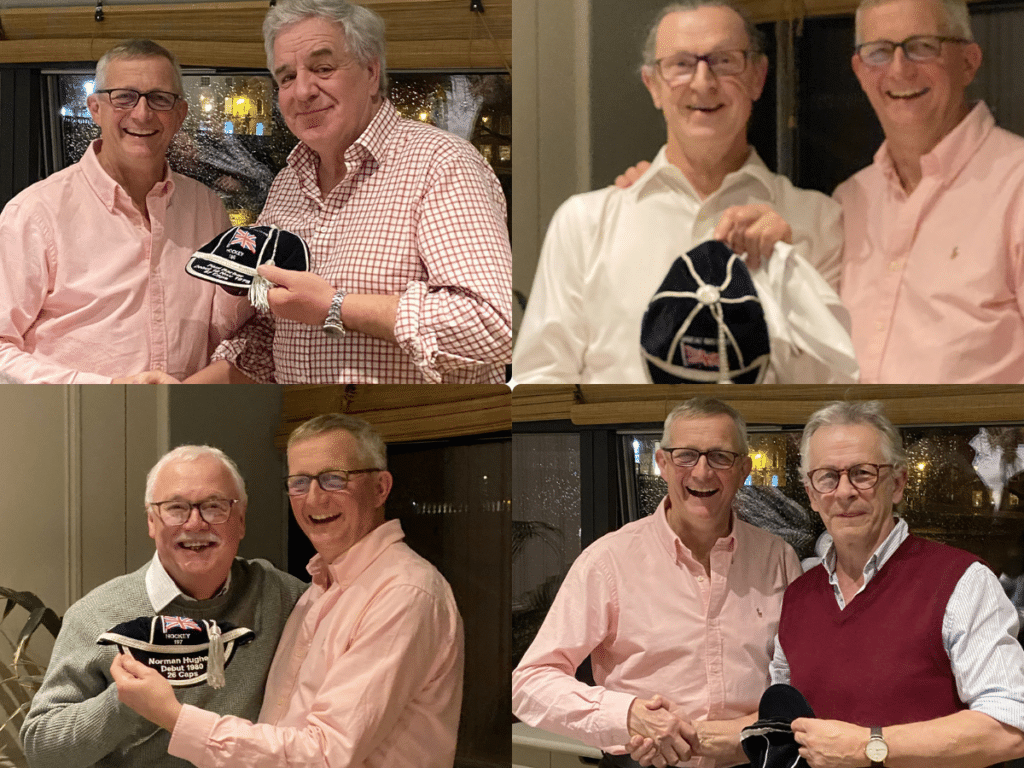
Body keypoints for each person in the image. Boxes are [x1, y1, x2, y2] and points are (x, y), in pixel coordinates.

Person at [512, 0, 857, 386]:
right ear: (653, 86)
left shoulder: (820, 221)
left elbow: (832, 388)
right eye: (680, 64)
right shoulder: (583, 223)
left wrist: (789, 272)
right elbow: (539, 382)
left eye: (725, 61)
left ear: (759, 78)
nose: (703, 82)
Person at [185, 0, 512, 385]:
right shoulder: (288, 182)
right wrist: (183, 390)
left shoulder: (440, 164)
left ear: (371, 72)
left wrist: (336, 307)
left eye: (322, 68)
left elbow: (494, 324)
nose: (302, 90)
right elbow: (273, 336)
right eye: (286, 77)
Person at [111, 414, 465, 767]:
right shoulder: (311, 592)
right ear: (151, 521)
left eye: (333, 479)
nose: (314, 499)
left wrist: (173, 716)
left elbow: (325, 754)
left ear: (380, 488)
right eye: (299, 482)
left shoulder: (403, 594)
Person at [512, 397, 803, 768]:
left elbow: (801, 676)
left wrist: (754, 729)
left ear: (743, 469)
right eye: (685, 456)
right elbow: (530, 683)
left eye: (720, 457)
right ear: (662, 463)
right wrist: (628, 715)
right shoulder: (608, 562)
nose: (701, 472)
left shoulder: (778, 559)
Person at [773, 401, 1024, 767]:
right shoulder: (797, 597)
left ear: (898, 483)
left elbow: (1010, 725)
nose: (844, 492)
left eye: (863, 473)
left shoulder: (961, 582)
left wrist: (870, 746)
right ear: (811, 494)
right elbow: (784, 720)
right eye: (827, 476)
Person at [21, 446, 306, 768]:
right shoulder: (97, 615)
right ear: (152, 521)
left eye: (214, 507)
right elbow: (41, 749)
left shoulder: (283, 597)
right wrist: (123, 704)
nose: (196, 523)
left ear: (240, 520)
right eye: (176, 508)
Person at [0, 40, 252, 384]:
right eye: (124, 97)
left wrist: (245, 289)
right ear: (95, 108)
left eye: (160, 98)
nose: (142, 113)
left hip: (182, 415)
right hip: (79, 422)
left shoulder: (206, 208)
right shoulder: (35, 213)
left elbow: (218, 332)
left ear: (180, 115)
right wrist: (108, 390)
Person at [835, 0, 1024, 383]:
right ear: (858, 70)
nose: (900, 69)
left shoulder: (1017, 183)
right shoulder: (849, 200)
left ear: (969, 61)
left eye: (923, 47)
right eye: (879, 52)